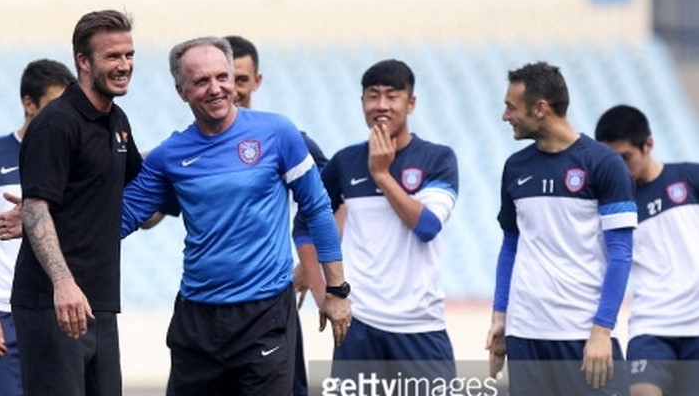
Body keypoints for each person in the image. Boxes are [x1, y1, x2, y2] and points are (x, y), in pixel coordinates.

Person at [119, 36, 351, 395]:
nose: (216, 89)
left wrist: (336, 289)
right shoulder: (170, 155)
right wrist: (48, 213)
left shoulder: (278, 133)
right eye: (201, 81)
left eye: (222, 77)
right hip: (196, 318)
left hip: (264, 313)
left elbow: (317, 207)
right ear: (181, 91)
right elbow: (122, 218)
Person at [296, 59, 459, 388]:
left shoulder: (438, 159)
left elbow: (427, 227)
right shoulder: (345, 161)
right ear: (362, 103)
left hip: (419, 326)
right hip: (359, 326)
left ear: (410, 103)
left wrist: (382, 174)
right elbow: (304, 225)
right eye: (373, 96)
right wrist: (324, 292)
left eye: (392, 96)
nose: (381, 105)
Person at [486, 62, 637, 395]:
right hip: (525, 335)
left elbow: (621, 254)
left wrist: (602, 330)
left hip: (583, 336)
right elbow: (511, 244)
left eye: (511, 107)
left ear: (540, 109)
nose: (505, 116)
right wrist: (500, 316)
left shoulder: (604, 164)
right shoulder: (515, 168)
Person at [11, 9, 141, 396]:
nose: (124, 66)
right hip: (55, 302)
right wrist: (64, 284)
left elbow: (136, 185)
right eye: (112, 57)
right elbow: (36, 207)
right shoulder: (56, 124)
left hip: (99, 301)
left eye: (129, 55)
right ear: (83, 61)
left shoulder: (117, 120)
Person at [0, 59, 74, 396]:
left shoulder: (75, 156)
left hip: (58, 309)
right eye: (55, 105)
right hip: (0, 312)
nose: (63, 114)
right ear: (29, 103)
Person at [225, 34, 329, 396]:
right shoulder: (194, 146)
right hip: (212, 305)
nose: (233, 89)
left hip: (270, 301)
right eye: (226, 78)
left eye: (242, 79)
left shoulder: (283, 138)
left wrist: (307, 263)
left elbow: (328, 196)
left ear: (257, 81)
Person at [594, 105, 699, 396]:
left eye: (625, 157)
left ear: (648, 144)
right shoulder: (612, 206)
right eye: (610, 160)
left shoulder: (690, 179)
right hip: (651, 326)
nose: (619, 167)